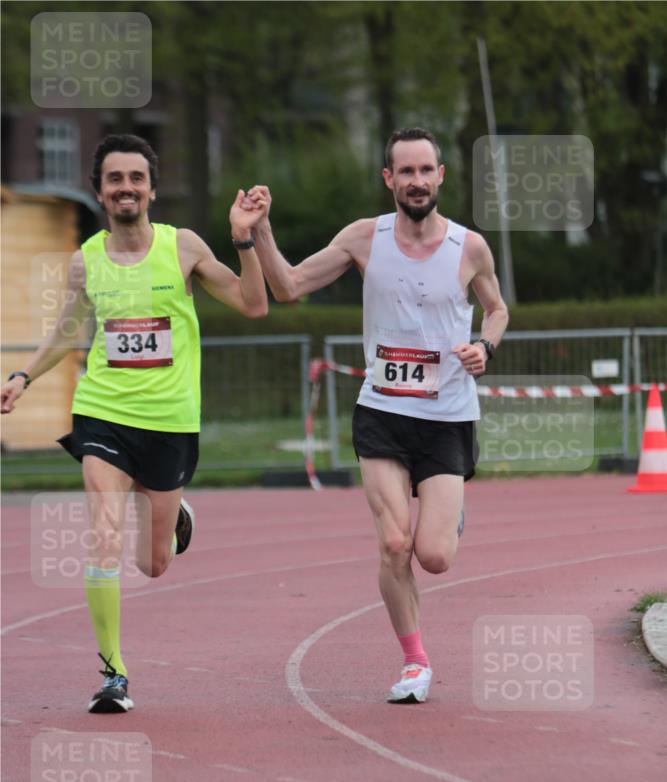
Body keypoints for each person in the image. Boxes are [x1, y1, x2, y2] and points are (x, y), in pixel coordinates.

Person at [1, 134, 268, 713]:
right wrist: (24, 376)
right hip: (103, 411)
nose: (126, 188)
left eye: (136, 178)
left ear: (151, 188)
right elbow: (70, 333)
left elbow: (254, 304)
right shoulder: (86, 259)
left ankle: (175, 515)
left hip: (170, 420)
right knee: (102, 536)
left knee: (153, 562)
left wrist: (244, 238)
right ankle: (113, 673)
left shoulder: (184, 248)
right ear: (100, 190)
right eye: (115, 179)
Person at [246, 126, 508, 703]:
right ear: (389, 180)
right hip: (383, 413)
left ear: (441, 176)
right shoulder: (365, 238)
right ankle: (415, 662)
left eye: (425, 170)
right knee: (394, 543)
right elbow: (288, 286)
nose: (416, 181)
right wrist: (259, 231)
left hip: (446, 416)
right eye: (405, 171)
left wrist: (484, 347)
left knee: (433, 555)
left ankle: (449, 513)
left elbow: (497, 308)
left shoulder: (470, 247)